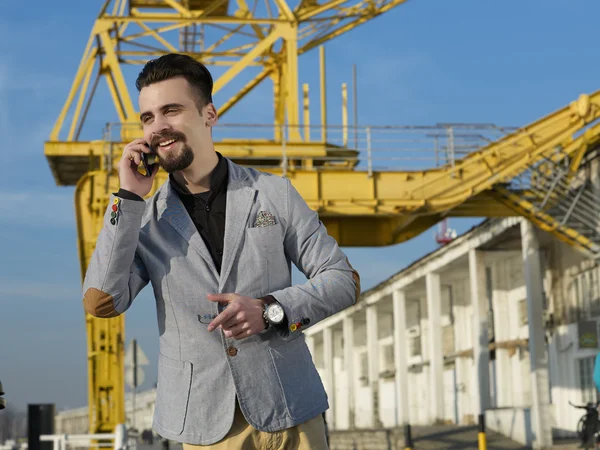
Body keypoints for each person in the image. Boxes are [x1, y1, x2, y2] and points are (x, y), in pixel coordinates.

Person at [82, 53, 360, 449]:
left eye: (171, 110)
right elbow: (101, 302)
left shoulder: (273, 194)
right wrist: (127, 197)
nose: (158, 127)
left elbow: (343, 281)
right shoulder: (142, 221)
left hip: (291, 413)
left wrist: (269, 310)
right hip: (203, 426)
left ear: (209, 114)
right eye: (147, 117)